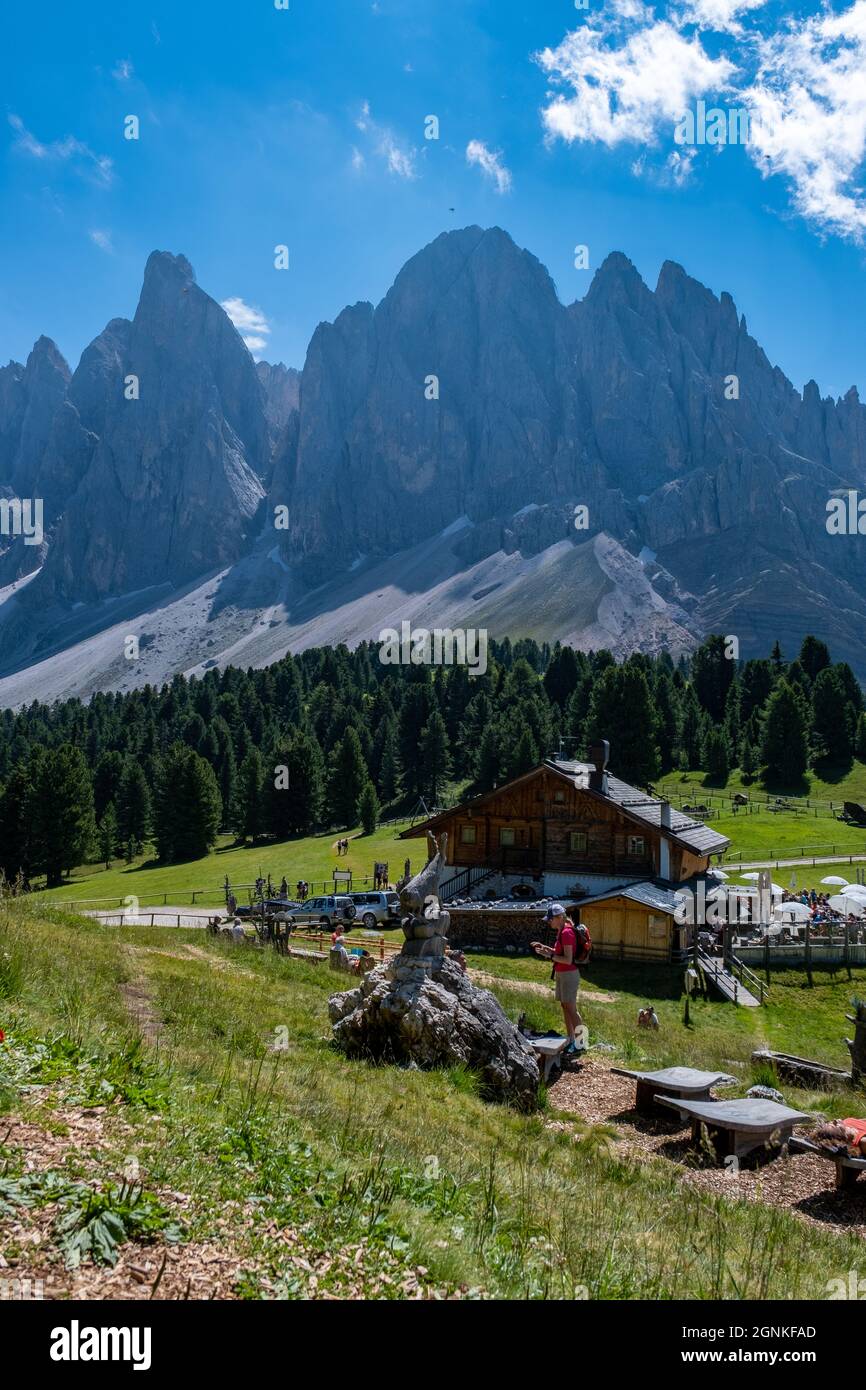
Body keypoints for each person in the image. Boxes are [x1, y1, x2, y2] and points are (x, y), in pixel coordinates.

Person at [530, 904, 583, 1055]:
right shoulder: (561, 931)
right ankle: (571, 1039)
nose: (549, 922)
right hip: (562, 974)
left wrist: (549, 955)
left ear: (559, 917)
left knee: (572, 1009)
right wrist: (546, 948)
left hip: (569, 974)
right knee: (565, 1007)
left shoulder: (567, 932)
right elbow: (559, 952)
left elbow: (567, 959)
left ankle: (580, 1043)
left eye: (550, 919)